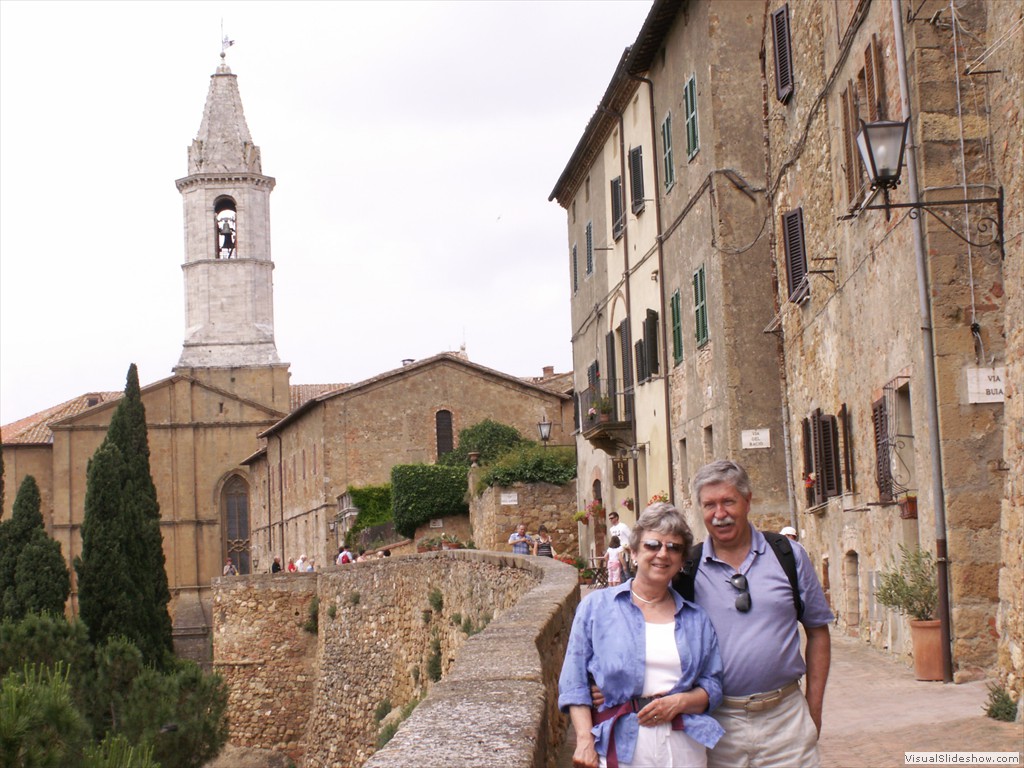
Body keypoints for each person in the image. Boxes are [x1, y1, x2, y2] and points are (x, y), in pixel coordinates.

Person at [680, 460, 833, 767]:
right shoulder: (688, 569)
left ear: (748, 501)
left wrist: (813, 710)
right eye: (709, 505)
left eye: (728, 502)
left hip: (786, 717)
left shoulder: (788, 555)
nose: (719, 514)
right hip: (717, 722)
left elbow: (817, 631)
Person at [559, 502, 725, 768]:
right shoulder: (597, 608)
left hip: (684, 747)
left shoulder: (697, 619)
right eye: (652, 545)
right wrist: (584, 740)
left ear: (682, 561)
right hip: (620, 745)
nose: (663, 553)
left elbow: (713, 686)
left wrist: (681, 701)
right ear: (634, 552)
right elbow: (574, 683)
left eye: (674, 547)